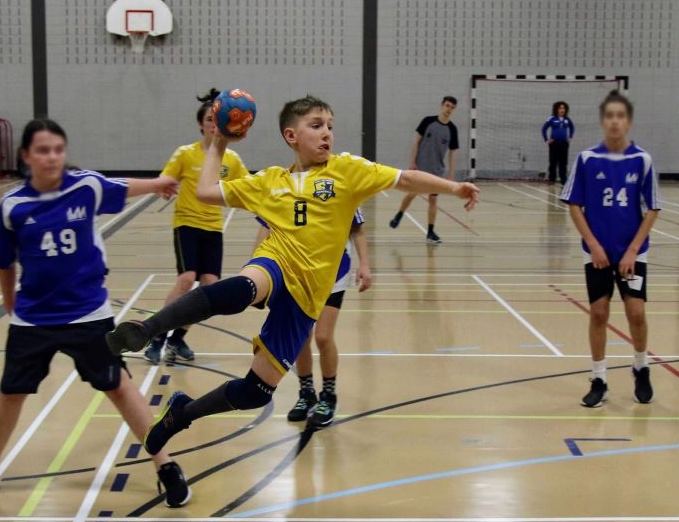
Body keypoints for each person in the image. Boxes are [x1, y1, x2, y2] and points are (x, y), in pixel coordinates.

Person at [104, 94, 479, 455]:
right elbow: (204, 191)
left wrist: (453, 187)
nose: (327, 132)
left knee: (256, 392)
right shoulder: (268, 181)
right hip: (276, 264)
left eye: (331, 125)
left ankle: (182, 414)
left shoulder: (348, 171)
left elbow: (407, 180)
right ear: (291, 136)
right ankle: (148, 329)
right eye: (317, 125)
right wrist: (218, 141)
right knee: (241, 289)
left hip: (308, 296)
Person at [0, 119, 191, 507]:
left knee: (119, 386)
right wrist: (9, 303)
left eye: (58, 150)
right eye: (43, 150)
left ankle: (165, 465)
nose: (52, 157)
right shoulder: (13, 206)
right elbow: (3, 262)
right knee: (11, 392)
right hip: (33, 318)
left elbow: (122, 187)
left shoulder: (85, 186)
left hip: (89, 315)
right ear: (26, 156)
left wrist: (158, 184)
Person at [561, 90, 659, 408]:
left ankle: (641, 366)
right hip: (597, 252)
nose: (615, 121)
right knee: (599, 313)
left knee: (636, 313)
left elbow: (653, 208)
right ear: (604, 121)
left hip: (632, 252)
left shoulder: (642, 160)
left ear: (627, 121)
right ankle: (599, 378)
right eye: (609, 116)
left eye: (620, 116)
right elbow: (574, 205)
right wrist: (592, 244)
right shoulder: (587, 159)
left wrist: (632, 250)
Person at [143, 88, 249, 364]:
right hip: (187, 224)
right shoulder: (185, 154)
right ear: (202, 123)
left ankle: (177, 339)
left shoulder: (232, 160)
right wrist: (165, 186)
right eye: (209, 121)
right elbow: (165, 178)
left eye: (217, 121)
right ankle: (155, 337)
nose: (213, 126)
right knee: (186, 279)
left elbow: (247, 187)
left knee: (210, 286)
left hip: (213, 227)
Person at [255, 211, 372, 427]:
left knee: (324, 337)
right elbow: (267, 224)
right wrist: (256, 264)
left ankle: (328, 396)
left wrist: (364, 264)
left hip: (335, 272)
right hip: (299, 272)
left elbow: (357, 230)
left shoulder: (343, 181)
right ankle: (306, 392)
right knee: (302, 338)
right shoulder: (287, 182)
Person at [388, 96, 461, 244]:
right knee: (411, 194)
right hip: (420, 168)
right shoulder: (428, 121)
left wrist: (451, 175)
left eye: (452, 107)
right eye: (447, 106)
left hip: (437, 171)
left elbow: (453, 153)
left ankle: (430, 231)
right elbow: (416, 142)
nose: (449, 109)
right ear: (441, 106)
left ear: (454, 110)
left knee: (433, 200)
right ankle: (399, 215)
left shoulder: (452, 129)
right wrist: (412, 162)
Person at [542, 101, 574, 183]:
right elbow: (544, 129)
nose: (562, 110)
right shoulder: (552, 118)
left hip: (564, 144)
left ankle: (563, 179)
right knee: (553, 162)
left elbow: (572, 127)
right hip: (554, 144)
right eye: (560, 108)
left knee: (563, 162)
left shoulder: (567, 119)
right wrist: (547, 140)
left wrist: (570, 137)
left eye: (563, 108)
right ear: (556, 109)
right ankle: (552, 179)